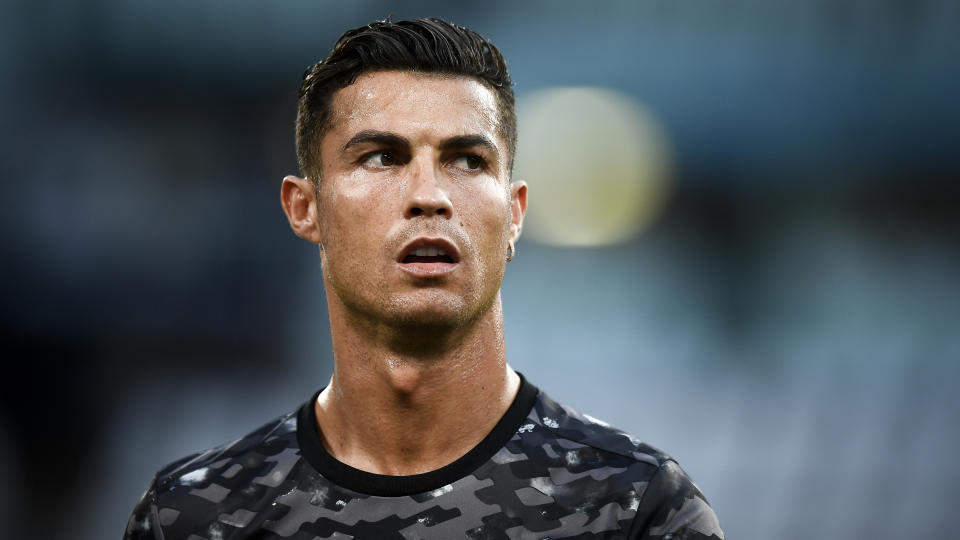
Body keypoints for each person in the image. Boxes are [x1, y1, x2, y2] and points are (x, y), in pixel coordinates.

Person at [123, 17, 723, 539]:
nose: (429, 196)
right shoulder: (195, 516)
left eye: (468, 160)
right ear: (306, 208)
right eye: (382, 157)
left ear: (514, 214)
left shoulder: (639, 510)